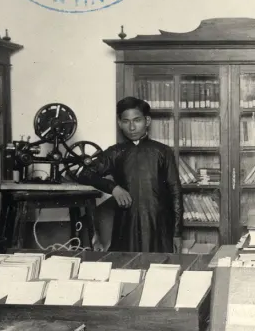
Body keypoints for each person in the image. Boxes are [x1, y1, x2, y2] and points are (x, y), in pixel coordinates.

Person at [76, 96, 182, 252]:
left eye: (137, 120)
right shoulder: (115, 152)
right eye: (126, 122)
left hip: (159, 228)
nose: (132, 127)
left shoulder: (163, 151)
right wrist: (113, 188)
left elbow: (175, 192)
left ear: (147, 121)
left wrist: (177, 233)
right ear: (120, 123)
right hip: (126, 226)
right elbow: (84, 174)